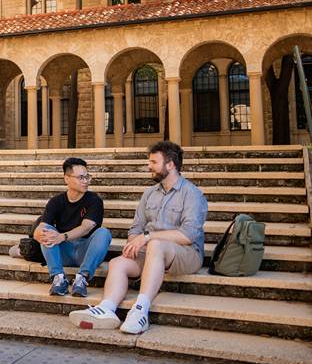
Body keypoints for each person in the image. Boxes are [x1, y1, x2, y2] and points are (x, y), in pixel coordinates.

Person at [70, 141, 208, 334]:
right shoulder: (149, 194)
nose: (148, 166)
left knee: (156, 245)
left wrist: (147, 237)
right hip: (151, 252)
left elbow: (188, 235)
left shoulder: (192, 194)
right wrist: (135, 242)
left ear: (170, 165)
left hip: (186, 254)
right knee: (118, 262)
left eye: (153, 162)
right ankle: (107, 308)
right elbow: (136, 228)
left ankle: (140, 311)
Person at [34, 157, 111, 298]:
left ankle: (82, 278)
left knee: (103, 233)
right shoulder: (56, 202)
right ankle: (58, 278)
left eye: (87, 177)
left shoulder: (94, 200)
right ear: (67, 179)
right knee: (47, 231)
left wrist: (61, 237)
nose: (86, 181)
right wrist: (40, 234)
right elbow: (41, 227)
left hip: (86, 251)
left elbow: (86, 227)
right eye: (81, 177)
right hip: (65, 252)